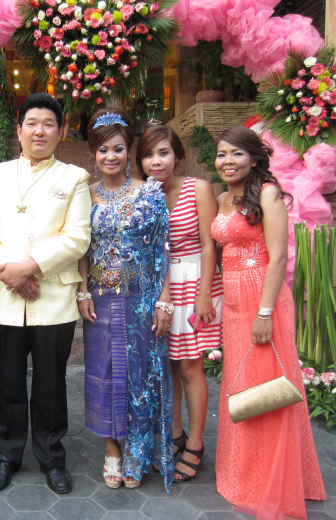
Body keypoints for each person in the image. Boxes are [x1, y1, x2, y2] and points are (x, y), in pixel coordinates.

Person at [0, 93, 92, 495]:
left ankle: (51, 457)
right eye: (32, 123)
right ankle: (6, 456)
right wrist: (13, 271)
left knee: (50, 384)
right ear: (19, 129)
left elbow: (78, 237)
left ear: (61, 131)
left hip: (53, 297)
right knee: (6, 381)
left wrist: (31, 267)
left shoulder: (74, 178)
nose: (40, 131)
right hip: (5, 296)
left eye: (49, 124)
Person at [211, 126, 326, 518]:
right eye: (222, 154)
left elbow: (278, 257)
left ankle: (271, 481)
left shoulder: (268, 193)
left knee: (267, 388)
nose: (228, 161)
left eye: (236, 153)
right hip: (233, 304)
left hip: (263, 300)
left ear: (255, 158)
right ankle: (244, 472)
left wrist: (264, 312)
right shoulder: (223, 198)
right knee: (241, 385)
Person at [77, 109, 174, 491]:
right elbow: (81, 249)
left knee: (139, 374)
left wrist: (163, 301)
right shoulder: (84, 195)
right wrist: (82, 290)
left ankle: (137, 450)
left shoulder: (148, 192)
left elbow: (163, 250)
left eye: (118, 148)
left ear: (128, 150)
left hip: (141, 298)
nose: (111, 156)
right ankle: (111, 449)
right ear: (93, 154)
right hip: (100, 297)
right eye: (103, 150)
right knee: (103, 372)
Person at [137, 125, 223, 482]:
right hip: (160, 286)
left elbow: (208, 244)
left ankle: (196, 445)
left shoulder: (197, 188)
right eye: (148, 155)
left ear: (178, 156)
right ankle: (175, 435)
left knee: (190, 366)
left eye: (163, 153)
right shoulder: (146, 193)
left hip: (194, 281)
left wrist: (204, 294)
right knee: (167, 366)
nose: (156, 161)